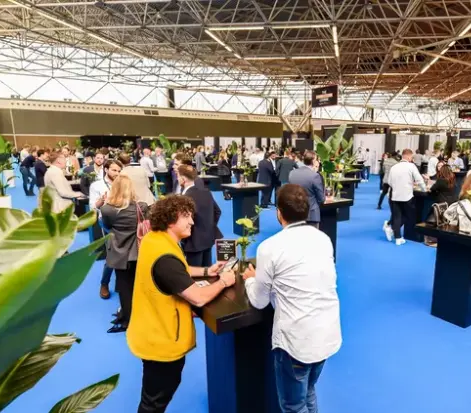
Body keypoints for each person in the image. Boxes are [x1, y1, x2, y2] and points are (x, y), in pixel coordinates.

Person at [128, 195, 236, 413]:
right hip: (162, 339)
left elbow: (180, 270)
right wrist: (224, 281)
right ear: (170, 220)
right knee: (154, 401)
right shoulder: (165, 257)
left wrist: (207, 270)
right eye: (186, 217)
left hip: (149, 331)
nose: (192, 222)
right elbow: (198, 298)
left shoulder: (154, 240)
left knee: (156, 393)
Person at [242, 184, 341, 413]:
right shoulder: (322, 239)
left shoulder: (270, 247)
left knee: (293, 405)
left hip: (297, 341)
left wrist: (250, 279)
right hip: (327, 333)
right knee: (308, 392)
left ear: (279, 212)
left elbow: (259, 301)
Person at [100, 175, 149, 333]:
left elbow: (107, 227)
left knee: (124, 287)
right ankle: (141, 317)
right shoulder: (141, 206)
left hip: (118, 252)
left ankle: (128, 319)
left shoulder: (107, 209)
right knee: (140, 286)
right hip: (139, 251)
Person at [90, 159, 123, 300]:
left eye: (119, 170)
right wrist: (101, 202)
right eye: (114, 170)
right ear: (106, 170)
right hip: (106, 221)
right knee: (112, 253)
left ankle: (122, 283)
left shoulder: (123, 183)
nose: (117, 173)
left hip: (124, 220)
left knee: (125, 251)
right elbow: (93, 206)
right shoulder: (97, 185)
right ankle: (104, 284)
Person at [177, 165, 222, 267]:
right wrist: (209, 226)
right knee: (207, 272)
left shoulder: (185, 198)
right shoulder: (206, 192)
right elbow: (217, 211)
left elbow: (182, 221)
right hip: (208, 239)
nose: (177, 178)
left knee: (195, 275)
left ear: (183, 179)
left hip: (192, 241)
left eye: (178, 176)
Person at [385, 149, 426, 246]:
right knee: (409, 216)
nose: (412, 159)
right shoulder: (411, 166)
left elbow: (389, 182)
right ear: (408, 157)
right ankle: (392, 230)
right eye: (411, 157)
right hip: (407, 196)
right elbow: (419, 179)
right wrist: (424, 189)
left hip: (395, 195)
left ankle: (397, 237)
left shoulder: (394, 167)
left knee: (397, 216)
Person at [288, 151, 326, 227]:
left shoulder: (292, 173)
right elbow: (321, 198)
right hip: (311, 214)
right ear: (313, 161)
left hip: (296, 213)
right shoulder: (315, 176)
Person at [425, 165, 457, 246]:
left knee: (432, 219)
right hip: (452, 202)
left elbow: (432, 189)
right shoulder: (452, 179)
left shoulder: (440, 180)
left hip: (441, 203)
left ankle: (432, 239)